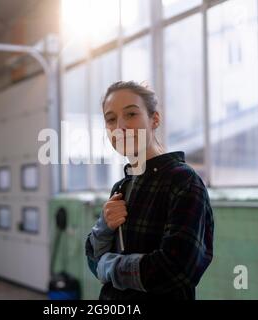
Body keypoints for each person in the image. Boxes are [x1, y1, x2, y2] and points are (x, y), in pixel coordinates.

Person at [85, 81, 214, 300]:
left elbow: (176, 270)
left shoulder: (183, 181)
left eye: (131, 114)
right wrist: (103, 228)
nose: (120, 127)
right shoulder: (121, 187)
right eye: (111, 119)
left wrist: (111, 267)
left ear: (155, 119)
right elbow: (93, 260)